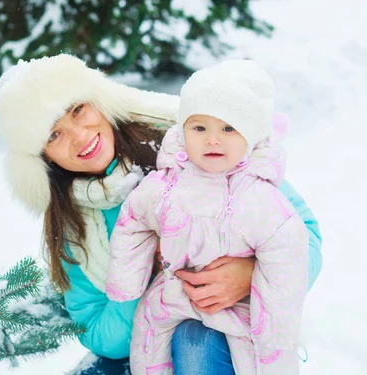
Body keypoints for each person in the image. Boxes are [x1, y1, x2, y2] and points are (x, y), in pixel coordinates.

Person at [0, 54, 323, 374]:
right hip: (149, 337)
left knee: (196, 342)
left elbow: (304, 235)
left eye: (78, 110)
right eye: (54, 134)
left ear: (100, 100)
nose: (79, 136)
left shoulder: (193, 142)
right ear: (43, 157)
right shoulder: (73, 223)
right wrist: (144, 274)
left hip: (237, 323)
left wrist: (249, 275)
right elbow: (94, 330)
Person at [106, 60, 308, 375]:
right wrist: (126, 279)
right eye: (199, 128)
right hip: (171, 297)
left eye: (228, 128)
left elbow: (288, 252)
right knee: (149, 355)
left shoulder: (261, 199)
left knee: (262, 361)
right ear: (183, 131)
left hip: (242, 308)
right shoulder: (164, 185)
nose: (213, 140)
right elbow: (133, 219)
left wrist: (275, 324)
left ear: (250, 135)